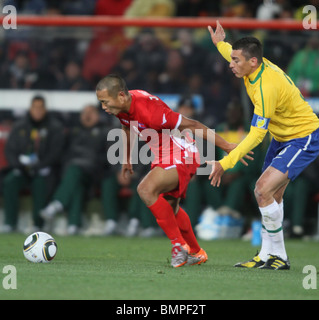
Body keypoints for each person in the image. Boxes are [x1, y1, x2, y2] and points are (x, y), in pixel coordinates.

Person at [95, 74, 252, 267]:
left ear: (120, 96)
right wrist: (127, 157)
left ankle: (179, 245)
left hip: (183, 152)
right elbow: (127, 126)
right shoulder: (122, 106)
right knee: (171, 208)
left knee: (145, 189)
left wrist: (226, 145)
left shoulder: (151, 111)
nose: (103, 107)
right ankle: (196, 252)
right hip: (163, 154)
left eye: (104, 102)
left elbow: (193, 125)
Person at [207, 21, 319, 270]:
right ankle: (268, 255)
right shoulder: (250, 64)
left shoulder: (265, 86)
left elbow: (257, 135)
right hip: (282, 137)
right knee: (270, 194)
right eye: (233, 59)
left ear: (253, 63)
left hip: (304, 137)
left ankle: (278, 256)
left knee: (261, 189)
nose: (231, 64)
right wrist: (220, 44)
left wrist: (225, 162)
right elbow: (231, 50)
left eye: (236, 61)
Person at [40, 105, 109, 235]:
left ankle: (57, 203)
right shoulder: (73, 132)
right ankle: (74, 225)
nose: (88, 115)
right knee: (76, 182)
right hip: (73, 173)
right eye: (85, 112)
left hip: (95, 174)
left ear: (98, 115)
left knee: (74, 171)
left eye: (91, 112)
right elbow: (63, 154)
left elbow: (106, 158)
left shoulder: (105, 132)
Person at [1, 95, 64, 233]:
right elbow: (10, 150)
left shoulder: (54, 127)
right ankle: (10, 223)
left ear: (45, 109)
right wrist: (18, 164)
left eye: (40, 108)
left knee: (41, 184)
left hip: (43, 170)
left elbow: (56, 152)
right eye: (35, 107)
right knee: (10, 181)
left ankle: (38, 224)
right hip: (21, 169)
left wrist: (40, 165)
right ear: (30, 108)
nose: (38, 111)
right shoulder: (19, 126)